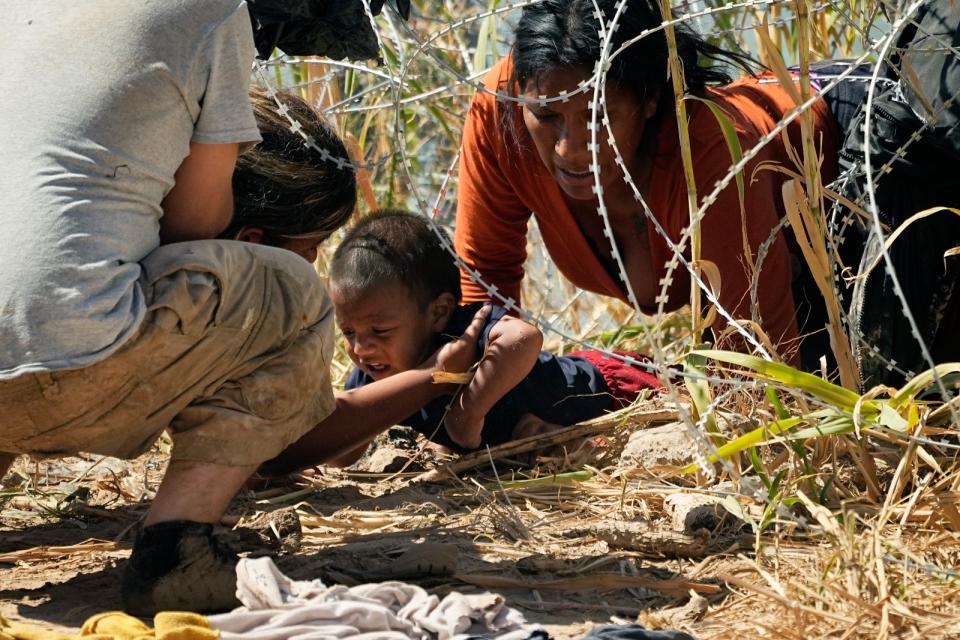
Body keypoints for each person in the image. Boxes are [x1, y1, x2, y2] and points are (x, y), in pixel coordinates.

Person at [453, 0, 958, 387]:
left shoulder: (709, 158)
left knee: (897, 386)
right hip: (773, 247)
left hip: (868, 169)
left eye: (600, 119)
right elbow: (485, 286)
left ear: (650, 100)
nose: (569, 150)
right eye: (547, 118)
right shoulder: (502, 110)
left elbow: (763, 374)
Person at [290, 209, 661, 464]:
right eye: (348, 332)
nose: (360, 348)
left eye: (379, 331)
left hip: (608, 394)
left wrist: (467, 413)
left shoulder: (464, 331)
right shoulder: (374, 372)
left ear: (438, 312)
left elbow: (524, 338)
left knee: (707, 389)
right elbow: (341, 450)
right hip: (548, 442)